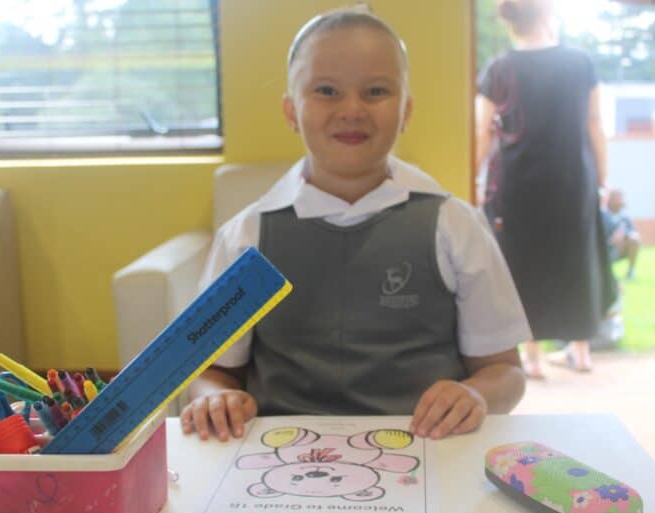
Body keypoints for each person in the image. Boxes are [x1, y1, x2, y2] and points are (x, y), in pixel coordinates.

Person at [181, 7, 532, 443]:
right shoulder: (247, 237)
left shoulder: (454, 226)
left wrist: (475, 397)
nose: (352, 109)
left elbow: (504, 371)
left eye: (376, 91)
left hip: (426, 456)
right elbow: (212, 371)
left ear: (406, 110)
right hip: (281, 461)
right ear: (291, 111)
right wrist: (216, 397)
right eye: (327, 90)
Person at [475, 0, 617, 378]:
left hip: (517, 184)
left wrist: (471, 180)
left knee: (522, 263)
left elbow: (482, 131)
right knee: (576, 258)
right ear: (548, 16)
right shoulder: (580, 63)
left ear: (509, 22)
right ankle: (581, 351)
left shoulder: (499, 69)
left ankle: (533, 358)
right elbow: (594, 123)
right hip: (573, 180)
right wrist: (603, 178)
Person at [602, 189, 640, 280]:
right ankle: (604, 271)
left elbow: (632, 231)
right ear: (610, 200)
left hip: (619, 249)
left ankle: (631, 270)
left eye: (622, 199)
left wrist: (624, 235)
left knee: (634, 239)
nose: (621, 202)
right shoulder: (601, 215)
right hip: (604, 249)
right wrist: (611, 240)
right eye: (618, 199)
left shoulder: (624, 216)